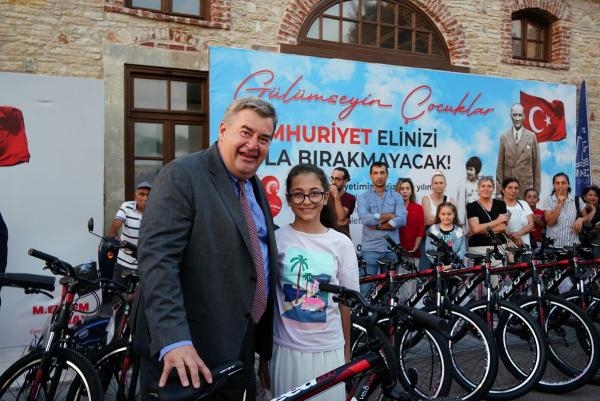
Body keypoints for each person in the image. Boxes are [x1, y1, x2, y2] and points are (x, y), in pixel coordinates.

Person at [136, 96, 279, 401]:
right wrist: (174, 340)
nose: (253, 145)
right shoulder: (183, 174)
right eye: (246, 132)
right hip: (190, 353)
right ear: (223, 130)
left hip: (241, 345)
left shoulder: (255, 186)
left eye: (263, 138)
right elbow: (158, 261)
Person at [263, 164, 359, 401]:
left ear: (325, 197)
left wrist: (346, 352)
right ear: (288, 199)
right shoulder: (276, 240)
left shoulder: (342, 243)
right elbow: (268, 300)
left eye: (314, 193)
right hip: (285, 351)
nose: (307, 201)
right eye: (298, 194)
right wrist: (264, 357)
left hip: (329, 352)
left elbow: (345, 304)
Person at [357, 162, 406, 294]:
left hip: (391, 250)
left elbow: (402, 219)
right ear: (371, 175)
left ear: (387, 175)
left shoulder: (396, 196)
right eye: (376, 173)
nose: (379, 176)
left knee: (388, 291)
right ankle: (365, 309)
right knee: (365, 290)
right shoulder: (363, 197)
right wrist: (390, 216)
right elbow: (366, 219)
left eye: (382, 173)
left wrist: (377, 225)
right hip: (370, 250)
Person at [108, 181, 152, 282]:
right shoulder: (127, 206)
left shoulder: (156, 211)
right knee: (117, 290)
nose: (145, 198)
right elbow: (116, 224)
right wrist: (113, 234)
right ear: (135, 196)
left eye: (148, 195)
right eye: (142, 194)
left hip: (146, 266)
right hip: (124, 263)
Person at [496, 103, 541, 199]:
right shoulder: (504, 137)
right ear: (510, 116)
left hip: (526, 189)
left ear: (524, 116)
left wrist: (536, 190)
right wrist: (499, 191)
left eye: (519, 115)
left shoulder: (531, 136)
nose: (517, 118)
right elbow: (500, 166)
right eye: (515, 115)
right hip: (508, 187)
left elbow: (536, 165)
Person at [543, 172, 595, 248]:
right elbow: (550, 222)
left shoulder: (577, 199)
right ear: (553, 185)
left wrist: (581, 219)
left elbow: (587, 220)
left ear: (568, 184)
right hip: (554, 247)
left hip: (573, 246)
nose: (560, 186)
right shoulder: (548, 200)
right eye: (557, 183)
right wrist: (559, 204)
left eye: (563, 183)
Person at [466, 176, 508, 264]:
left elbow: (503, 227)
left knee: (498, 273)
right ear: (478, 189)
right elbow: (475, 229)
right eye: (483, 186)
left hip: (498, 247)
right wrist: (498, 220)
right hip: (477, 249)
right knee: (479, 273)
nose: (486, 189)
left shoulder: (500, 204)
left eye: (489, 186)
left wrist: (480, 229)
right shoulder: (472, 206)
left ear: (493, 189)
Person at [420, 170, 455, 269]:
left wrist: (435, 218)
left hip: (447, 236)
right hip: (430, 237)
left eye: (441, 183)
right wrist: (446, 218)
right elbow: (428, 220)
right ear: (431, 185)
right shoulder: (426, 198)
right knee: (426, 266)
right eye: (435, 183)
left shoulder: (451, 199)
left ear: (445, 184)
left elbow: (454, 220)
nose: (438, 185)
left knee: (446, 265)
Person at [425, 202, 466, 268]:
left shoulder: (459, 231)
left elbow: (462, 251)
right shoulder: (433, 230)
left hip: (454, 268)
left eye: (449, 214)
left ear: (454, 215)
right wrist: (439, 264)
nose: (446, 217)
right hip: (437, 267)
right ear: (439, 215)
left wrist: (452, 265)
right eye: (443, 214)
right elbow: (428, 250)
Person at [395, 178, 425, 267]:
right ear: (397, 191)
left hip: (412, 253)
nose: (405, 191)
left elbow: (420, 230)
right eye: (402, 189)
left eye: (407, 188)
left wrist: (415, 247)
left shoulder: (418, 208)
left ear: (411, 191)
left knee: (411, 276)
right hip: (395, 253)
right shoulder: (392, 208)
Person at [501, 178, 534, 249]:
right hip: (506, 247)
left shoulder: (523, 204)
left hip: (525, 245)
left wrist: (517, 234)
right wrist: (512, 237)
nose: (513, 190)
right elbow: (498, 228)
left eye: (516, 188)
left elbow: (531, 224)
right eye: (510, 188)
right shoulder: (498, 205)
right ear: (503, 190)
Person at [328, 167, 356, 238]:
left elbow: (340, 218)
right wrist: (340, 222)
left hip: (342, 237)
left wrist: (336, 196)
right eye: (332, 178)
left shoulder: (350, 198)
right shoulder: (325, 196)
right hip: (327, 237)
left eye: (338, 179)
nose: (334, 182)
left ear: (345, 181)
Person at [456, 156, 481, 230]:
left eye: (471, 169)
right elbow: (460, 204)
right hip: (468, 220)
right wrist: (461, 222)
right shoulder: (462, 184)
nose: (468, 172)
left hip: (482, 219)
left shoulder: (482, 182)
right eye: (467, 169)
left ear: (477, 170)